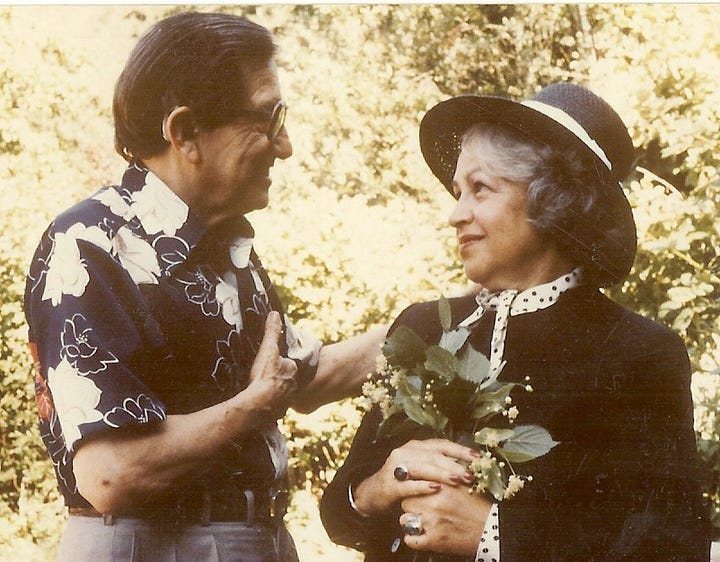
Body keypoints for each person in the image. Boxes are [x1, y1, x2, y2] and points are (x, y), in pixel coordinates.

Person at [24, 11, 385, 562]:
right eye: (269, 118)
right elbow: (111, 476)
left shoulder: (224, 246)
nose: (284, 145)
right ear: (186, 132)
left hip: (253, 540)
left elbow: (301, 378)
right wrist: (254, 406)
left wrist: (452, 319)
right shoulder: (91, 244)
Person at [320, 82, 710, 561]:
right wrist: (382, 483)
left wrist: (498, 535)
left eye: (480, 189)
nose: (455, 214)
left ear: (552, 198)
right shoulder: (424, 328)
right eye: (459, 191)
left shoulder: (637, 352)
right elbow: (338, 515)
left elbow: (671, 545)